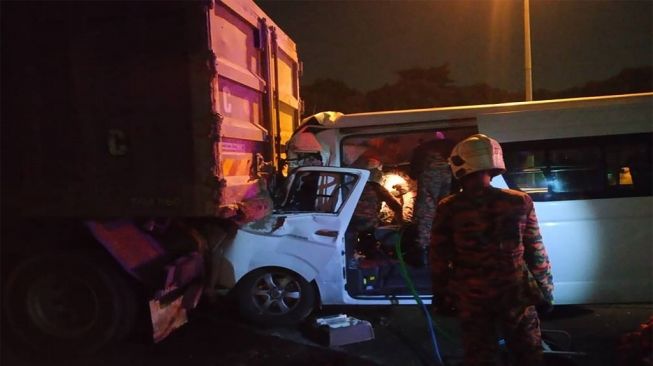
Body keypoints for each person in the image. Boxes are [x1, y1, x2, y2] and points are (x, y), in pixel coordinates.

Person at [429, 134, 554, 366]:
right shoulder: (520, 201)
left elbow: (438, 257)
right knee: (528, 354)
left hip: (472, 295)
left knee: (480, 356)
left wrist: (442, 294)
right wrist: (545, 289)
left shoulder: (449, 207)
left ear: (461, 164)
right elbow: (535, 249)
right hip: (515, 291)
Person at [347, 156, 404, 266]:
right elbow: (395, 206)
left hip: (349, 223)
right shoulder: (376, 187)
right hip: (368, 224)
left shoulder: (349, 186)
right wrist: (398, 223)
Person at [409, 132, 454, 266]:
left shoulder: (422, 151)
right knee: (446, 211)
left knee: (426, 213)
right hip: (448, 182)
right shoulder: (452, 147)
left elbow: (413, 173)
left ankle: (424, 252)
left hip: (430, 183)